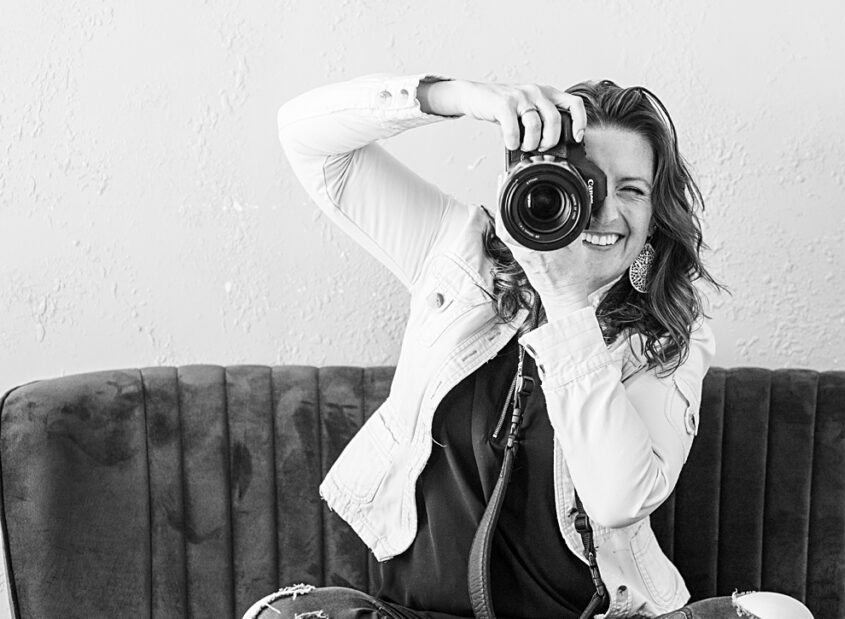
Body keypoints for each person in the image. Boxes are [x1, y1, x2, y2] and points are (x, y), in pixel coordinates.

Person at [244, 74, 813, 619]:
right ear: (540, 178)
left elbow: (617, 500)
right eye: (587, 182)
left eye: (632, 191)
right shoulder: (461, 255)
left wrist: (566, 296)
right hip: (421, 614)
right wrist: (465, 97)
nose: (603, 210)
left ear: (653, 221)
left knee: (777, 614)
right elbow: (307, 139)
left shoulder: (666, 337)